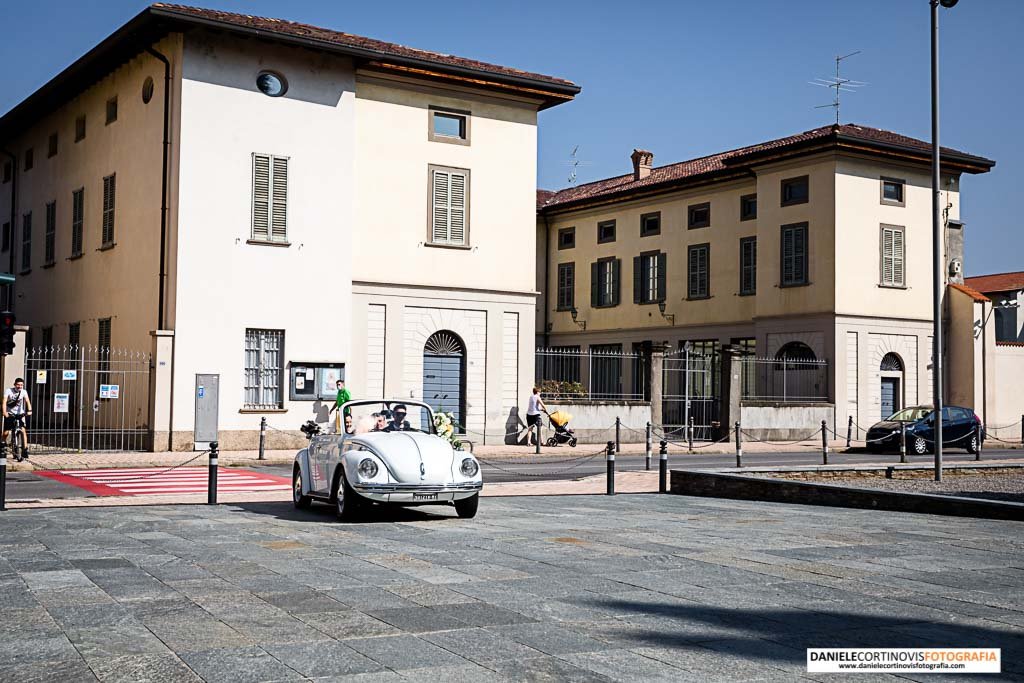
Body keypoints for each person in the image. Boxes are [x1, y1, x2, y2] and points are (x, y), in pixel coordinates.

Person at [2, 378, 32, 462]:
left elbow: (27, 401)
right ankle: (2, 445)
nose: (20, 386)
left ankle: (25, 449)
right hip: (10, 413)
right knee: (6, 432)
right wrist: (4, 412)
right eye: (18, 385)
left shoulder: (24, 392)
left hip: (20, 414)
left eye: (21, 385)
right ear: (14, 384)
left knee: (23, 430)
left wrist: (29, 410)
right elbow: (4, 402)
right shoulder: (8, 391)